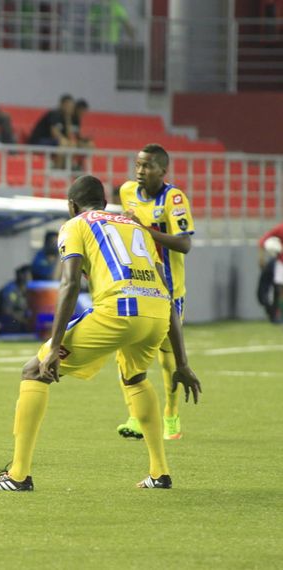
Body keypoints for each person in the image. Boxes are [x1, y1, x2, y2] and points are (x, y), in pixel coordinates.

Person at [0, 175, 202, 492]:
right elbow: (165, 292)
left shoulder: (76, 224)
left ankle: (18, 475)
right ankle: (159, 473)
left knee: (34, 371)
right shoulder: (133, 225)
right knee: (135, 378)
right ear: (105, 202)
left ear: (72, 205)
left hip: (120, 310)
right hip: (157, 315)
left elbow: (69, 284)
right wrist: (181, 362)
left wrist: (55, 345)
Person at [117, 144, 196, 440]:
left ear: (163, 171)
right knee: (126, 348)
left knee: (167, 358)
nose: (140, 171)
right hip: (138, 283)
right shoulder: (126, 192)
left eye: (147, 166)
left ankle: (171, 416)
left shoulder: (173, 198)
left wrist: (144, 229)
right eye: (138, 165)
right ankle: (135, 416)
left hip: (170, 289)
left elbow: (185, 244)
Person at [28, 94, 75, 167]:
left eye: (71, 106)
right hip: (38, 141)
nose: (70, 108)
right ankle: (57, 169)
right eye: (68, 106)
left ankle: (68, 168)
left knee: (72, 144)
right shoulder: (54, 113)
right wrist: (64, 141)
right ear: (62, 104)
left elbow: (68, 136)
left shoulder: (66, 117)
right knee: (63, 143)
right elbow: (54, 132)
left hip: (51, 142)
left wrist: (68, 118)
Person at [0, 265, 32, 334]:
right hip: (5, 324)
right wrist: (24, 320)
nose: (28, 279)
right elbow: (6, 311)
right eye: (26, 276)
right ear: (20, 276)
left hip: (18, 323)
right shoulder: (11, 290)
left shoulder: (26, 290)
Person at [258, 221, 283, 322]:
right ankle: (279, 315)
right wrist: (261, 258)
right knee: (280, 290)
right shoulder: (280, 228)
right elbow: (263, 240)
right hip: (282, 263)